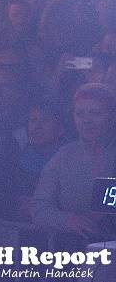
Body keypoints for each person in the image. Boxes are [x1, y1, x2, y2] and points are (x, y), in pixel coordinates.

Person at [32, 83, 116, 246]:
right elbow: (39, 207)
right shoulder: (64, 156)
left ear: (112, 116)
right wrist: (68, 220)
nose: (87, 121)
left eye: (95, 113)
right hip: (72, 249)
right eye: (80, 114)